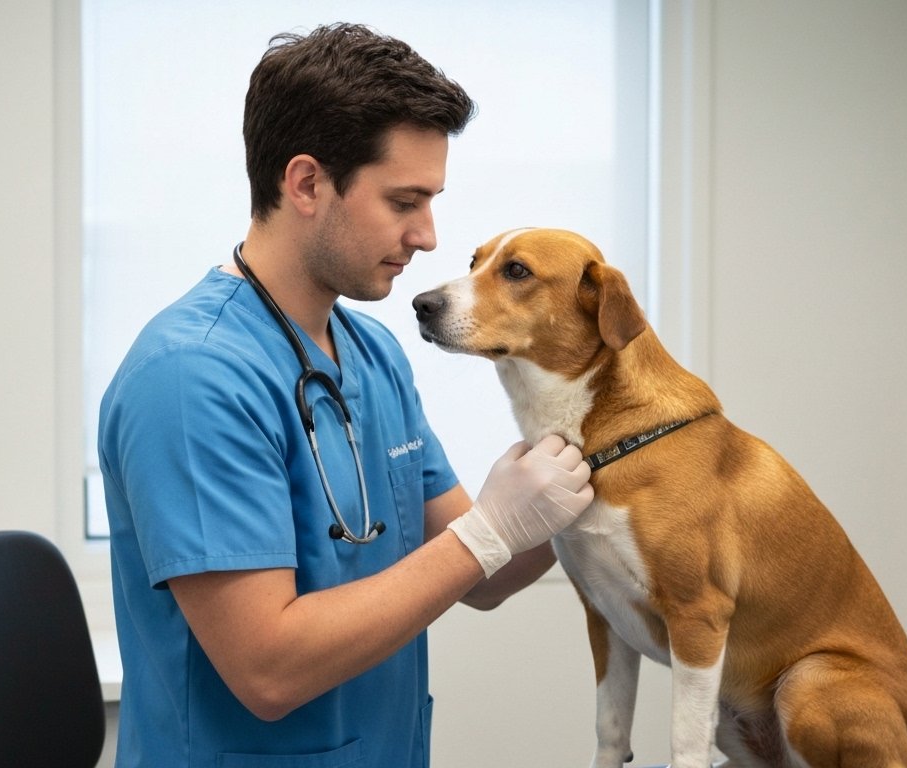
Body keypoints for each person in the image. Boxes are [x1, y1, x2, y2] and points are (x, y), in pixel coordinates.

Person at [98, 23, 595, 767]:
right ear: (305, 184)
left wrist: (587, 476)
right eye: (404, 201)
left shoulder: (373, 354)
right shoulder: (191, 378)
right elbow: (268, 668)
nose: (427, 236)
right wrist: (490, 530)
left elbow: (485, 576)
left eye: (431, 201)